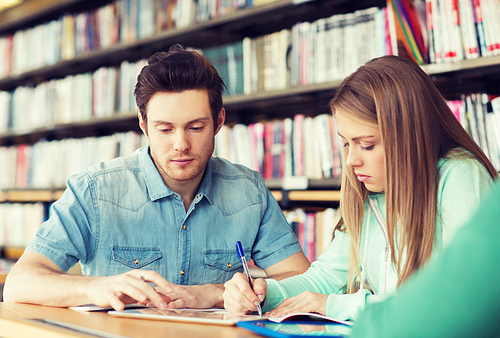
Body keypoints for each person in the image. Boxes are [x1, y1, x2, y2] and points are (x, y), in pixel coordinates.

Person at [3, 45, 310, 311]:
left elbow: (304, 280)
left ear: (218, 122)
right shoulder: (94, 191)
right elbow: (19, 285)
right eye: (165, 129)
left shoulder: (249, 192)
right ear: (144, 125)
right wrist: (92, 288)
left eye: (196, 127)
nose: (180, 145)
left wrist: (215, 294)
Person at [222, 55, 498, 321]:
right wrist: (264, 292)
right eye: (346, 143)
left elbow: (458, 300)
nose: (351, 160)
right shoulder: (368, 197)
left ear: (408, 136)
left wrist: (337, 305)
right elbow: (325, 278)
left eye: (366, 144)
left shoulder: (461, 176)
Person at [351, 181, 500, 337]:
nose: (350, 161)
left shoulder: (458, 172)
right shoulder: (373, 201)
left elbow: (452, 304)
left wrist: (343, 307)